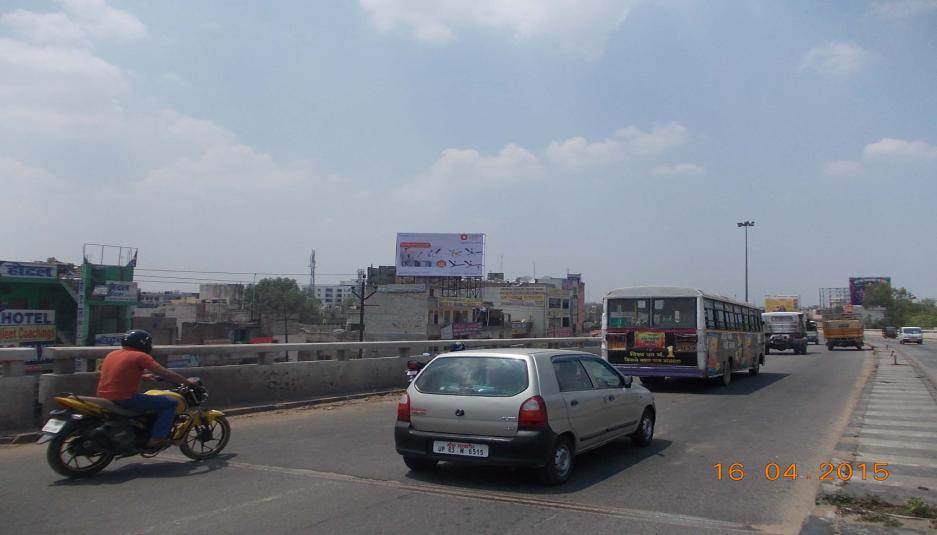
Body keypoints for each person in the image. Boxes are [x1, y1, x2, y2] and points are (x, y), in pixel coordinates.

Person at [96, 330, 196, 449]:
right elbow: (164, 373)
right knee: (170, 403)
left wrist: (142, 375)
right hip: (126, 398)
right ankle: (157, 438)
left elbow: (106, 369)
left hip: (103, 396)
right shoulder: (140, 356)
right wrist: (187, 382)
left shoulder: (112, 354)